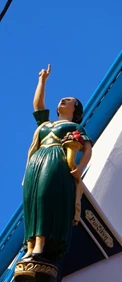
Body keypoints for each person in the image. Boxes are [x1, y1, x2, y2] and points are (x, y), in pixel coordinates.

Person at [22, 65, 93, 260]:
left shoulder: (74, 126)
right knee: (32, 199)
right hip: (37, 160)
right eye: (63, 98)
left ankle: (40, 243)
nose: (63, 99)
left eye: (69, 100)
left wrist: (79, 168)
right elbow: (38, 106)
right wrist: (42, 81)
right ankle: (29, 245)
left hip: (56, 161)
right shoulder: (46, 125)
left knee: (45, 196)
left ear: (75, 109)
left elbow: (87, 148)